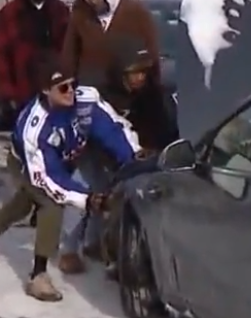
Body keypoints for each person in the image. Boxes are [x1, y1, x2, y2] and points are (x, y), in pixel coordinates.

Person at [0, 55, 141, 302]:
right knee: (50, 203)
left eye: (73, 83)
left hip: (66, 157)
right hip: (28, 164)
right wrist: (87, 199)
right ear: (45, 90)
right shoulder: (35, 129)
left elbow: (112, 128)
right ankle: (38, 276)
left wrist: (132, 157)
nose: (71, 91)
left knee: (24, 204)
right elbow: (50, 180)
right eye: (63, 87)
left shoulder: (85, 99)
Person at [59, 35, 176, 275]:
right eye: (134, 73)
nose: (140, 78)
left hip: (130, 153)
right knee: (85, 186)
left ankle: (97, 242)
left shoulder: (152, 95)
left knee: (118, 194)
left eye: (143, 72)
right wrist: (131, 153)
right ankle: (68, 249)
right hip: (90, 148)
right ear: (120, 73)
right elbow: (108, 129)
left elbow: (164, 126)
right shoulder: (98, 95)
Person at [0, 0, 69, 127]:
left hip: (56, 91)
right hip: (23, 94)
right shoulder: (9, 15)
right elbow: (1, 58)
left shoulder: (60, 12)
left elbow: (69, 50)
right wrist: (8, 94)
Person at [62, 0, 159, 84]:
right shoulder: (81, 11)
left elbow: (151, 55)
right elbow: (69, 55)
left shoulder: (136, 13)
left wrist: (153, 90)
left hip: (125, 94)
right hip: (89, 92)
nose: (93, 1)